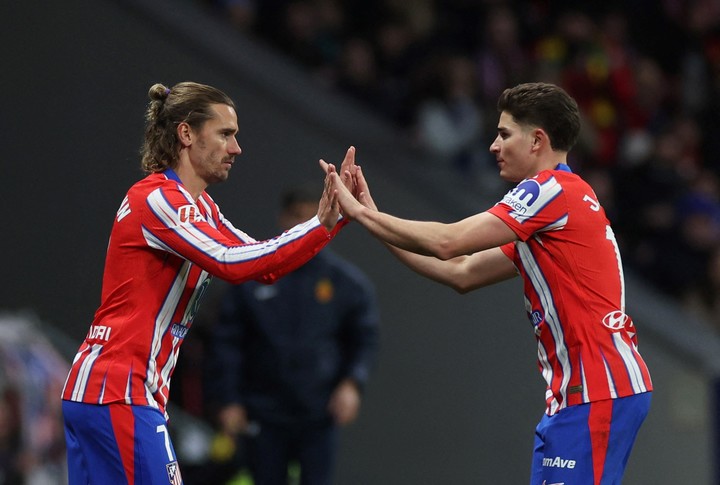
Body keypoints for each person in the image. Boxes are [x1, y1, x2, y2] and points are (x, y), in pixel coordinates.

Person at [326, 82, 653, 485]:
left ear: (537, 140)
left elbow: (448, 243)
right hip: (581, 394)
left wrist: (360, 213)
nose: (493, 147)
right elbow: (460, 272)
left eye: (503, 134)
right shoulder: (553, 212)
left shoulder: (548, 190)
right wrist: (374, 217)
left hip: (596, 391)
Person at [60, 81, 357, 485]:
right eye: (225, 134)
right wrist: (321, 223)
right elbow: (230, 262)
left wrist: (328, 223)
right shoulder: (161, 199)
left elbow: (262, 264)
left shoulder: (199, 207)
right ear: (186, 134)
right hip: (120, 391)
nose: (236, 148)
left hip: (106, 392)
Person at [205, 185, 380, 485]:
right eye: (299, 215)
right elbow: (227, 343)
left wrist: (353, 384)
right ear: (283, 217)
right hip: (262, 414)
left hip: (318, 415)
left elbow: (364, 339)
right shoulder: (251, 275)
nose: (306, 225)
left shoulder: (348, 285)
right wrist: (229, 399)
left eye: (316, 216)